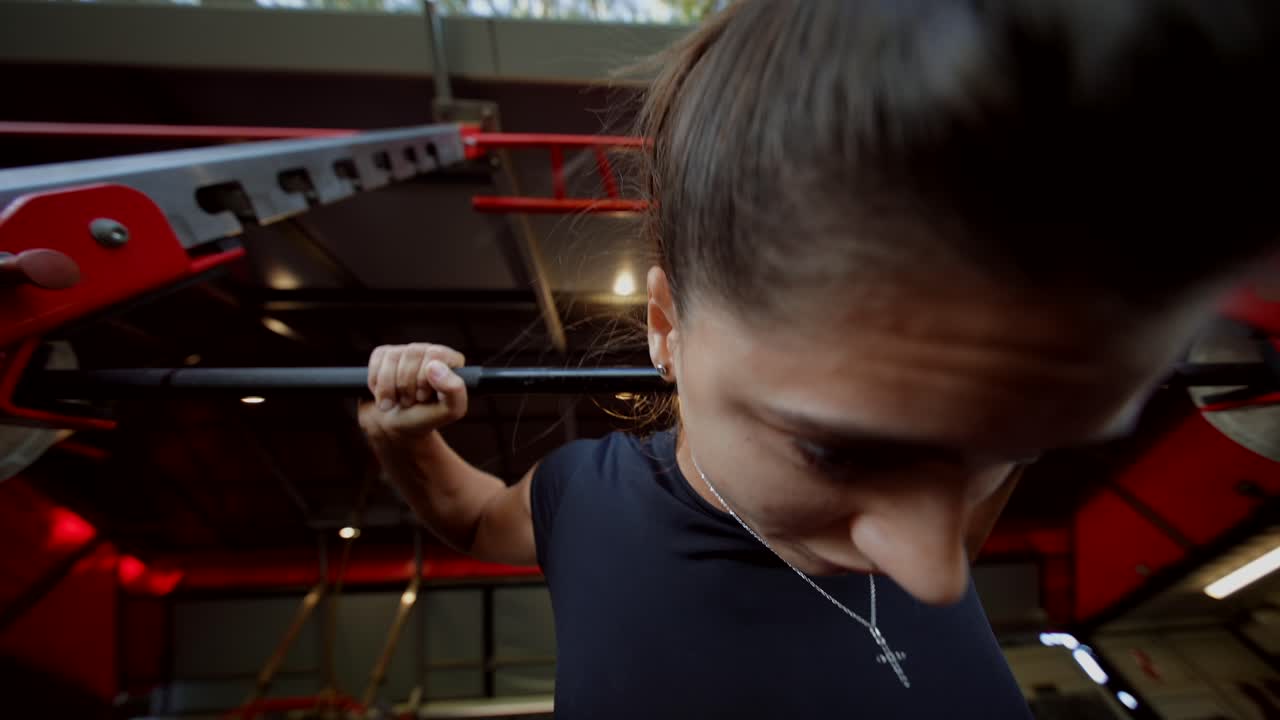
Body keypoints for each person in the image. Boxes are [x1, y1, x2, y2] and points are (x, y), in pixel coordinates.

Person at [359, 1, 1280, 716]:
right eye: (839, 450)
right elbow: (479, 519)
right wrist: (406, 438)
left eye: (1010, 444)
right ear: (666, 327)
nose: (937, 576)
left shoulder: (922, 527)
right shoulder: (584, 492)